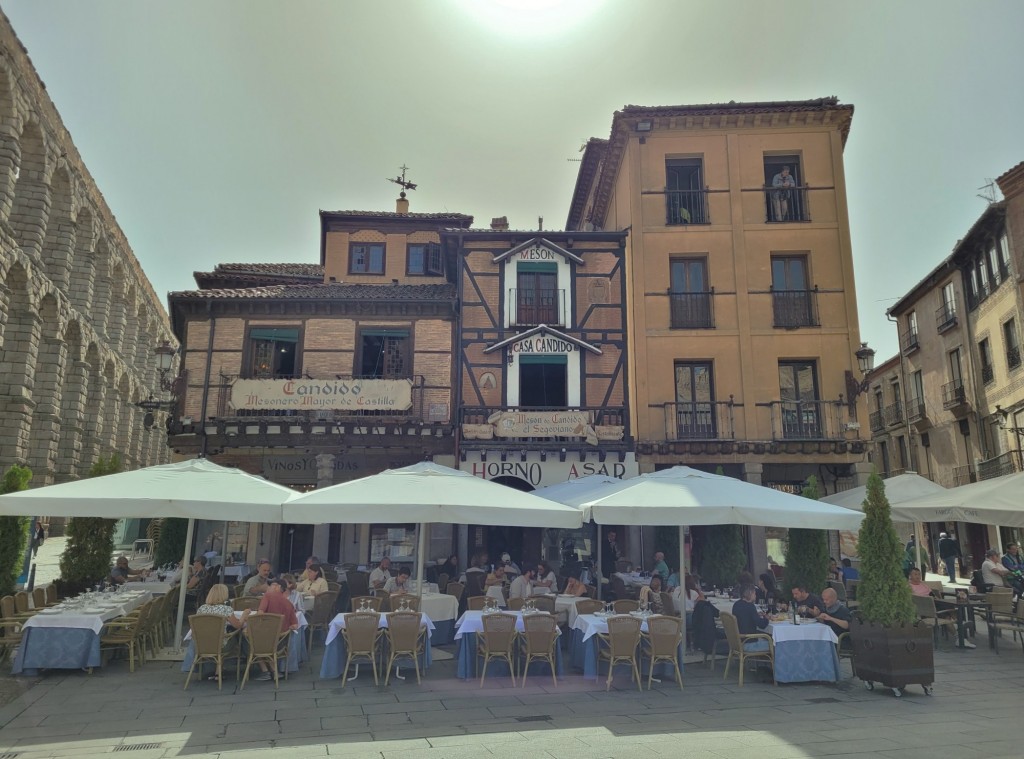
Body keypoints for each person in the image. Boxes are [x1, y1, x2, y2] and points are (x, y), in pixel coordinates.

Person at [253, 578, 300, 681]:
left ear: (278, 587)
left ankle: (266, 671)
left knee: (249, 640)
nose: (269, 587)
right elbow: (295, 625)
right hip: (282, 642)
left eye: (272, 585)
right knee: (262, 638)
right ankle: (274, 671)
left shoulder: (267, 597)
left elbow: (259, 615)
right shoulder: (289, 604)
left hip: (267, 642)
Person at [732, 584, 770, 651]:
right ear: (750, 593)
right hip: (748, 644)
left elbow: (744, 616)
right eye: (754, 593)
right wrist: (766, 618)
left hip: (737, 642)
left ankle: (760, 661)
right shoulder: (750, 607)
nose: (756, 595)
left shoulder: (736, 604)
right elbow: (762, 625)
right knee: (775, 644)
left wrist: (756, 614)